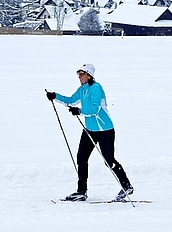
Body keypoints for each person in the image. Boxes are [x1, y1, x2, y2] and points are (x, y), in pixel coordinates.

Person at [46, 63, 134, 202]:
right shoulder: (82, 89)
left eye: (81, 74)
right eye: (78, 75)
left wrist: (80, 111)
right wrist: (55, 96)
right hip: (90, 130)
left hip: (105, 130)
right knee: (81, 158)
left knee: (109, 161)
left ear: (89, 75)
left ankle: (126, 186)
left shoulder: (96, 88)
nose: (79, 77)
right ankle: (81, 191)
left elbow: (95, 109)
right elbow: (71, 100)